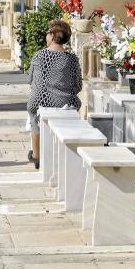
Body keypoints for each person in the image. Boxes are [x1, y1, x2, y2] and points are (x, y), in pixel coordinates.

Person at [27, 20, 82, 169]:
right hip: (65, 102)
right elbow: (78, 85)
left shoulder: (38, 56)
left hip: (39, 101)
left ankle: (37, 155)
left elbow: (30, 80)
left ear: (51, 36)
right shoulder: (71, 59)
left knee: (34, 119)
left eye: (47, 33)